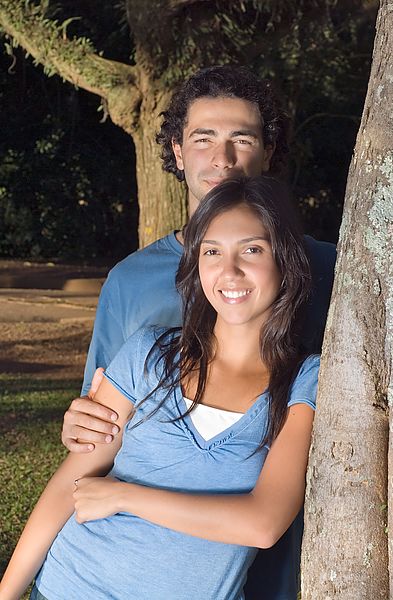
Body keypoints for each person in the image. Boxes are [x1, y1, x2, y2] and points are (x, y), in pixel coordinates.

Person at [60, 65, 337, 599]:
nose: (223, 159)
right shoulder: (130, 280)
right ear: (177, 150)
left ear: (269, 151)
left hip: (269, 558)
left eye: (242, 139)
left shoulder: (331, 271)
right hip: (124, 562)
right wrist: (78, 426)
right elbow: (97, 420)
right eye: (203, 139)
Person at [0, 176, 320, 600]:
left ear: (285, 259)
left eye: (252, 249)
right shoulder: (150, 352)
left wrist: (124, 497)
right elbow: (68, 484)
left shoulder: (305, 380)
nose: (230, 271)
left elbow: (261, 524)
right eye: (212, 251)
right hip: (70, 585)